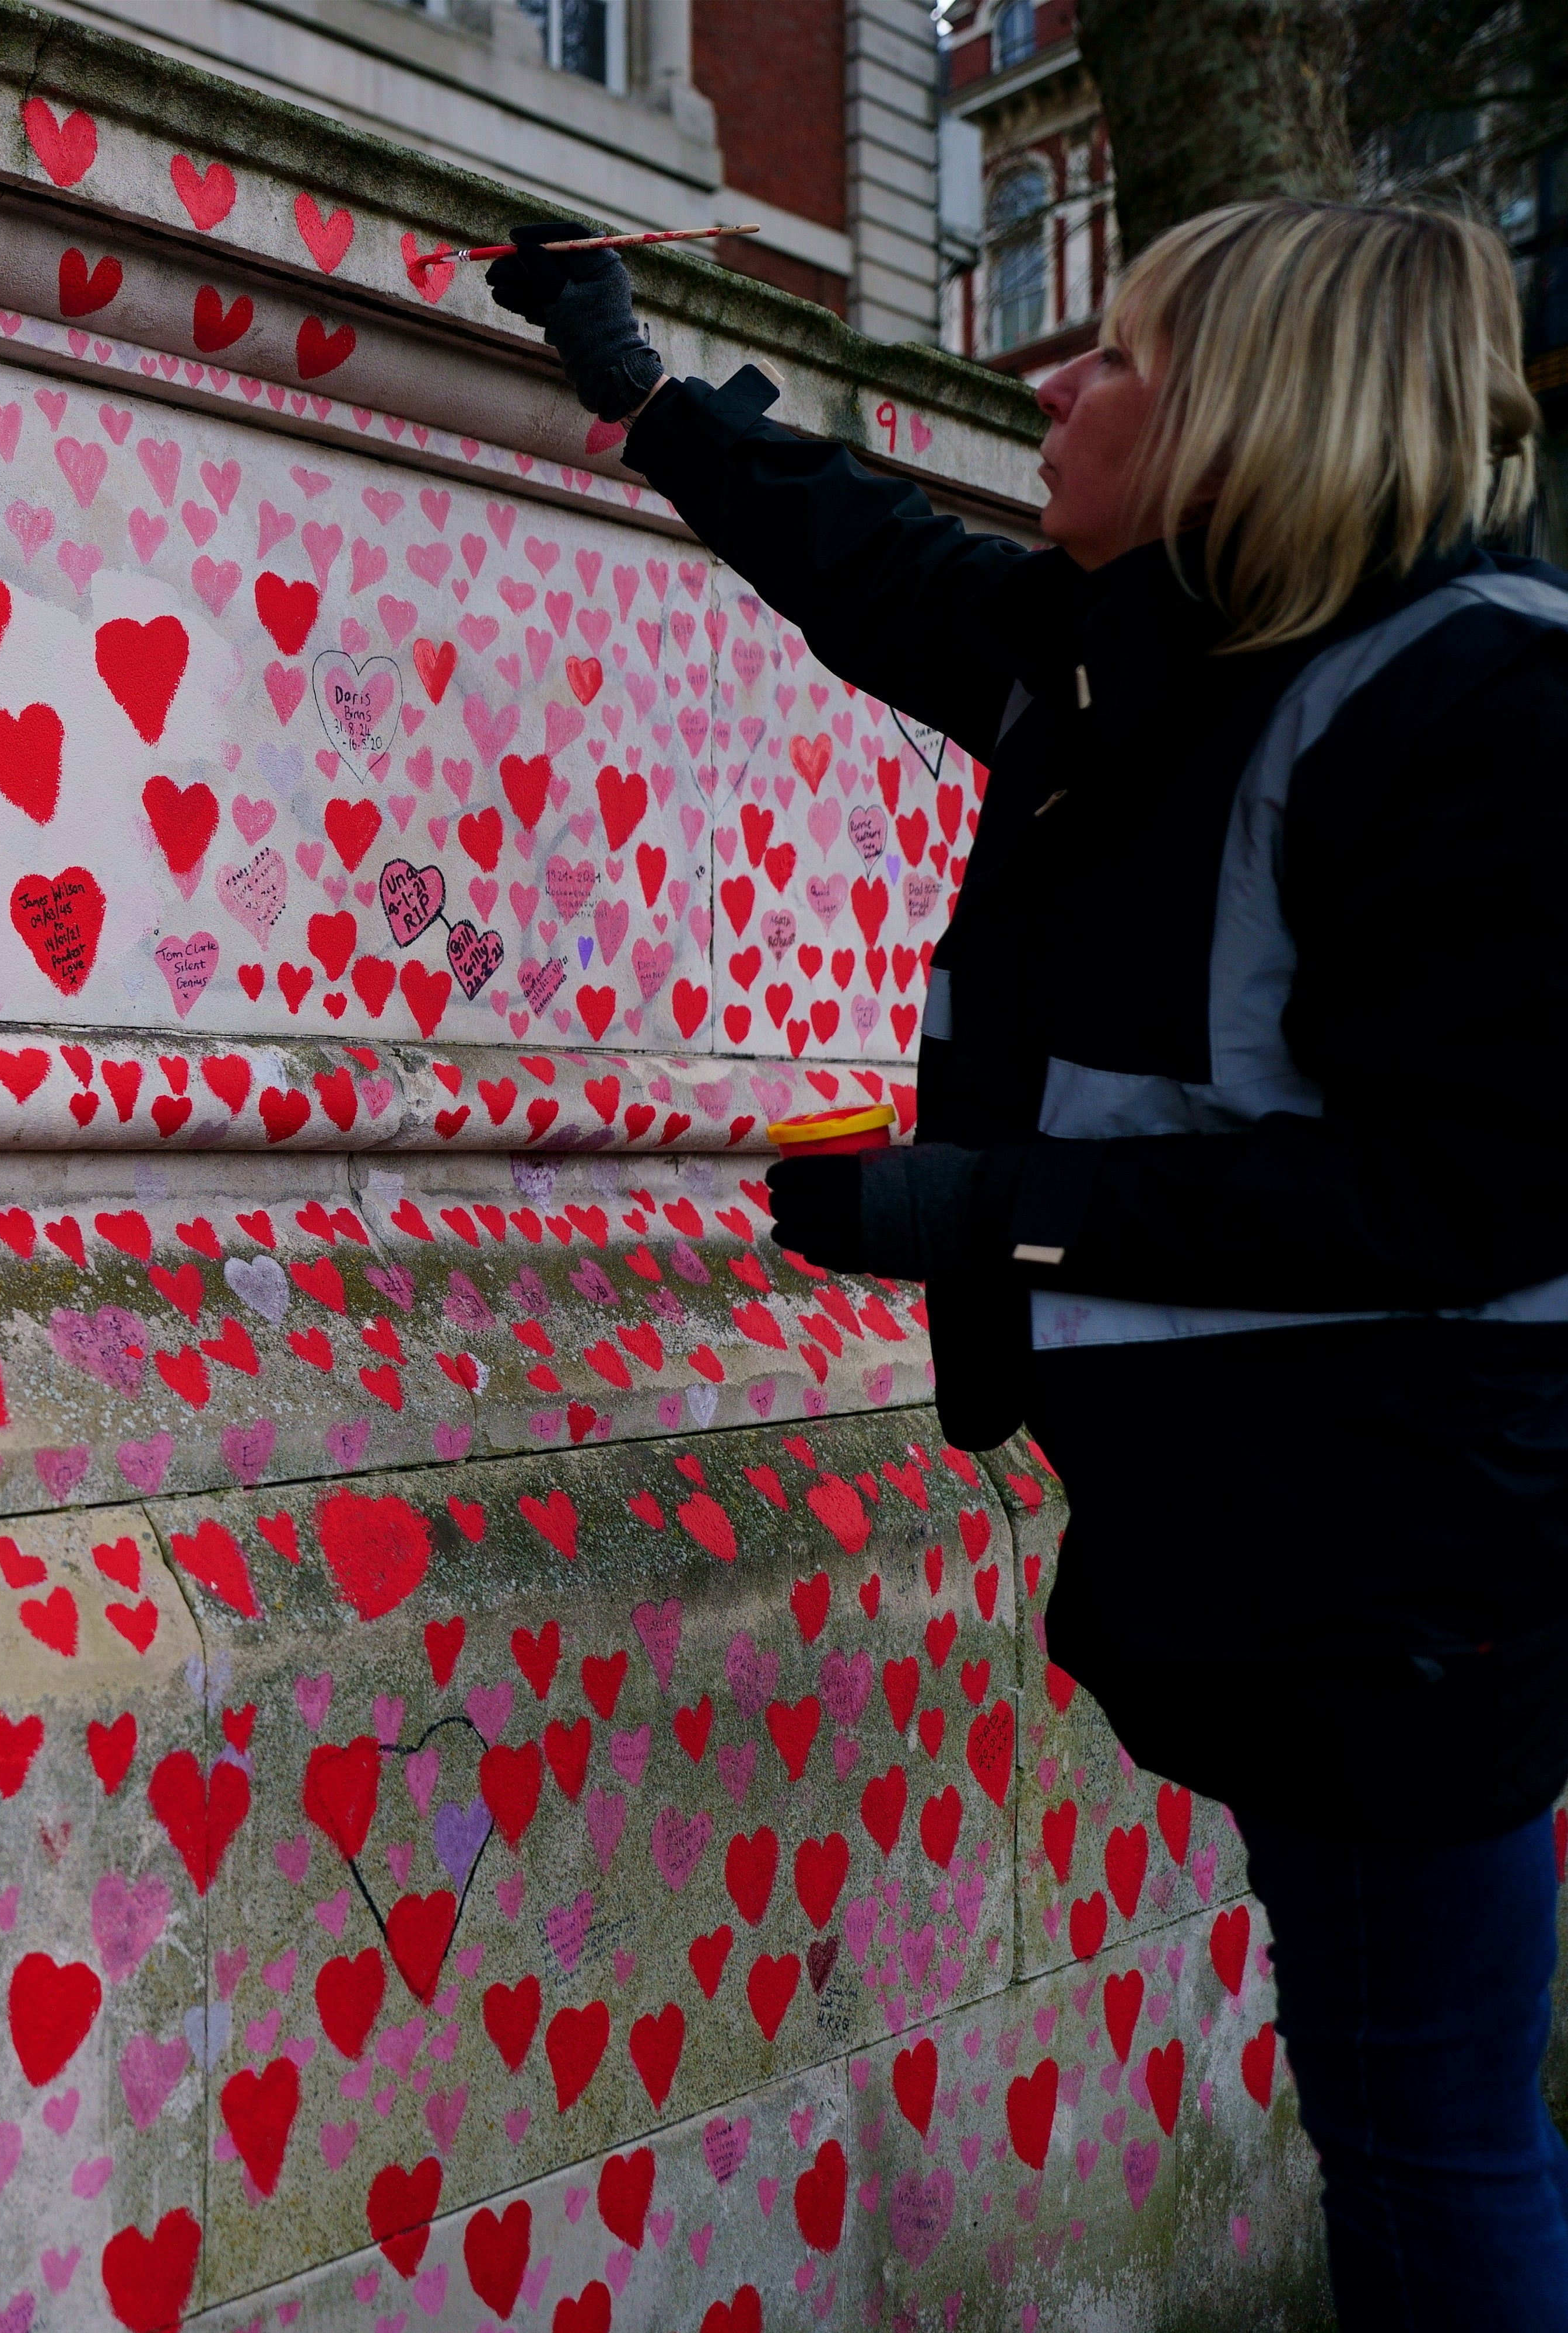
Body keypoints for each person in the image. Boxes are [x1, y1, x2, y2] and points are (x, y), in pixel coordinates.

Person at [488, 201, 1568, 2326]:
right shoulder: (1168, 656)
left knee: (1426, 2122)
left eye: (1121, 361)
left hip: (1411, 1558)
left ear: (1260, 413)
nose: (1052, 388)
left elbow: (1469, 1198)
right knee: (1406, 2093)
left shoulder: (1488, 708)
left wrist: (958, 1211)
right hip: (1296, 1537)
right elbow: (891, 579)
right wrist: (642, 388)